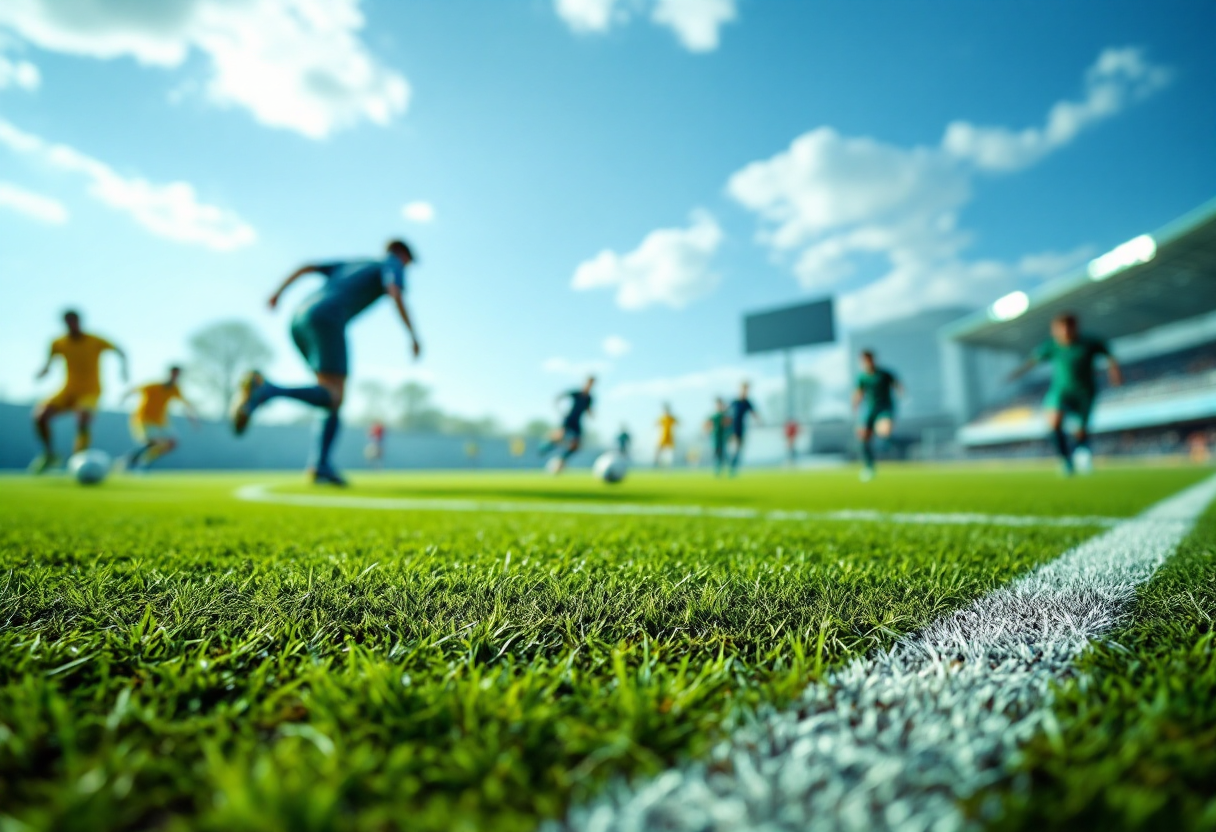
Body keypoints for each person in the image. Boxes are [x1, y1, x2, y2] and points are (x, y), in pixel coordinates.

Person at [231, 240, 421, 486]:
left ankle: (320, 465)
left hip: (299, 319)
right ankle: (265, 390)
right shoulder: (391, 263)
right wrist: (412, 335)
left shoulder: (354, 264)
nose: (406, 267)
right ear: (402, 254)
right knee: (333, 396)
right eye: (408, 262)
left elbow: (307, 266)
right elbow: (394, 289)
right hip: (328, 318)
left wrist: (278, 293)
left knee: (329, 398)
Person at [1009, 312, 1121, 476]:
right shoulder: (1051, 346)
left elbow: (1110, 356)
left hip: (1084, 392)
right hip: (1060, 391)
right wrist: (1016, 373)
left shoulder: (1090, 342)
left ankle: (1082, 452)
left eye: (1068, 328)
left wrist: (1115, 374)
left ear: (1075, 328)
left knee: (1080, 431)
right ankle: (1066, 460)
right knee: (1054, 422)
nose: (1064, 332)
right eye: (1060, 329)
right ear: (1054, 330)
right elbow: (1032, 361)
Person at [31, 310, 128, 473]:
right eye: (68, 321)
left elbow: (120, 351)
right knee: (40, 416)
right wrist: (44, 371)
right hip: (68, 389)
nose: (72, 324)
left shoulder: (95, 340)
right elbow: (49, 362)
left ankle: (79, 458)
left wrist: (123, 370)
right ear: (64, 323)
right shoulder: (58, 343)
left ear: (79, 321)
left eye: (74, 321)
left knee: (82, 418)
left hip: (91, 391)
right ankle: (49, 454)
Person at [123, 366, 199, 470]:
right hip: (144, 418)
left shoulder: (175, 389)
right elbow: (135, 390)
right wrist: (123, 398)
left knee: (172, 443)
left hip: (161, 421)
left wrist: (193, 419)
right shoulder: (154, 386)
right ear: (169, 374)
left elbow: (185, 405)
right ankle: (132, 458)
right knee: (153, 441)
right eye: (174, 374)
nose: (175, 377)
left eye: (178, 375)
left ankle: (145, 462)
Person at [853, 349, 901, 482]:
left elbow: (897, 385)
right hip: (870, 410)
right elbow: (859, 393)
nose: (865, 363)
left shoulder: (884, 374)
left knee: (884, 431)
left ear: (873, 360)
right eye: (863, 361)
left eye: (868, 360)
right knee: (862, 437)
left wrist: (901, 392)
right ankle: (869, 467)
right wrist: (855, 405)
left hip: (884, 408)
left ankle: (887, 443)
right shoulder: (862, 377)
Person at [538, 375, 595, 474]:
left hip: (577, 423)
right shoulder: (577, 393)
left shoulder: (589, 398)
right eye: (588, 383)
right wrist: (558, 409)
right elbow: (560, 396)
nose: (589, 386)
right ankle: (543, 448)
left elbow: (588, 409)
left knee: (576, 446)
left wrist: (591, 414)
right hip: (568, 419)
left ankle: (561, 458)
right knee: (559, 437)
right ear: (585, 383)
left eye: (591, 384)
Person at [728, 382, 760, 475]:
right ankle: (730, 464)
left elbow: (754, 413)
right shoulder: (734, 402)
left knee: (738, 450)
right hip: (732, 429)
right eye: (743, 389)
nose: (745, 391)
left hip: (741, 429)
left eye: (746, 390)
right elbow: (727, 412)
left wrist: (759, 421)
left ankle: (733, 466)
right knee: (734, 448)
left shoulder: (747, 403)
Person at [705, 397, 732, 476]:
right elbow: (707, 425)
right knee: (716, 454)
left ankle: (727, 468)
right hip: (715, 438)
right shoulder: (713, 416)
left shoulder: (725, 416)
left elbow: (729, 425)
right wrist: (709, 429)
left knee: (724, 454)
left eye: (720, 405)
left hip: (723, 438)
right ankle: (717, 469)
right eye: (718, 405)